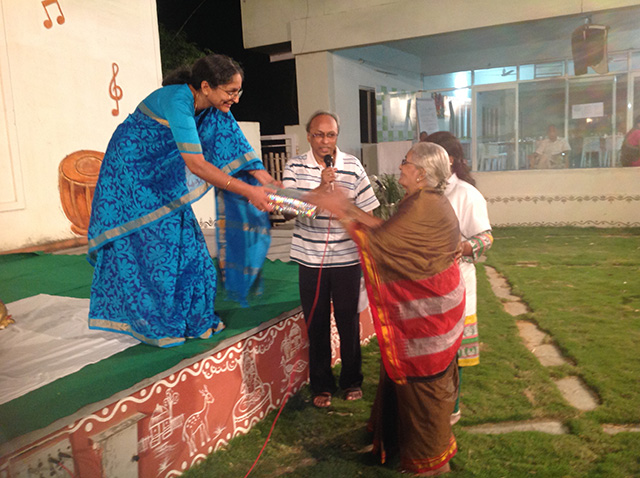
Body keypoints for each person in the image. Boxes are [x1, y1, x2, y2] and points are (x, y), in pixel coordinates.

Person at [87, 53, 276, 347]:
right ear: (205, 86)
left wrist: (268, 182)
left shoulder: (213, 107)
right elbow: (197, 165)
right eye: (230, 92)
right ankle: (156, 323)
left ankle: (194, 318)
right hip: (133, 172)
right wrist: (250, 191)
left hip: (165, 175)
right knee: (154, 247)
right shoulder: (178, 101)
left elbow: (234, 142)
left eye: (238, 92)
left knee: (190, 245)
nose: (235, 100)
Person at [307, 142, 464, 476]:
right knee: (400, 383)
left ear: (420, 173)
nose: (400, 168)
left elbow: (379, 244)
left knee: (423, 398)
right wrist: (345, 207)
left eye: (405, 163)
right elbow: (385, 229)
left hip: (426, 329)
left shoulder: (424, 206)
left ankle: (433, 464)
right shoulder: (425, 201)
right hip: (436, 320)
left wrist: (341, 209)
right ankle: (391, 441)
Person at [282, 111, 379, 408]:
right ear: (308, 136)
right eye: (319, 135)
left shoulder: (352, 165)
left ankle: (351, 380)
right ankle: (322, 385)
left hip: (347, 258)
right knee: (317, 323)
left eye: (331, 135)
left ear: (338, 135)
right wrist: (320, 190)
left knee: (348, 321)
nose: (325, 142)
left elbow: (368, 209)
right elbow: (286, 210)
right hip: (310, 260)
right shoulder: (295, 166)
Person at [426, 131, 493, 425]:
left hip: (457, 284)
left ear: (449, 160)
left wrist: (463, 247)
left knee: (453, 353)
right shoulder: (426, 191)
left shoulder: (466, 194)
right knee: (431, 349)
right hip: (426, 284)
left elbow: (486, 238)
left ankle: (451, 409)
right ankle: (432, 404)